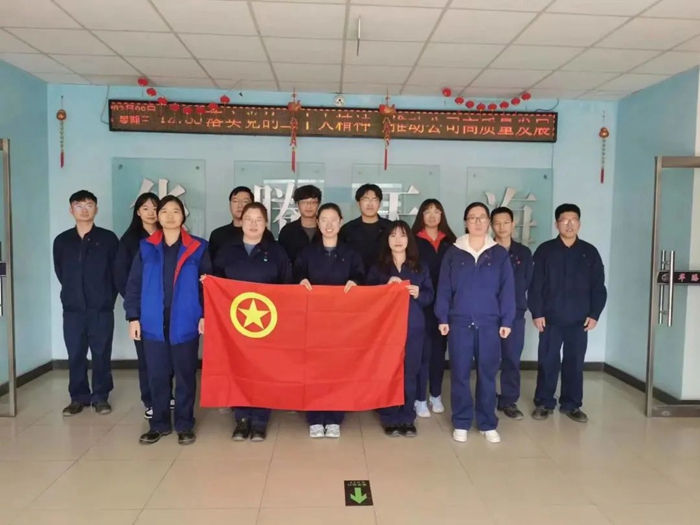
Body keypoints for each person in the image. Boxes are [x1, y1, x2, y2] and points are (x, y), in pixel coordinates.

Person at [124, 196, 210, 446]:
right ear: (158, 217)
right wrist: (133, 317)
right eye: (165, 211)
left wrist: (205, 315)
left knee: (185, 376)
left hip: (185, 322)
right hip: (152, 323)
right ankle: (158, 424)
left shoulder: (199, 247)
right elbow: (134, 285)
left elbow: (207, 286)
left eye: (176, 211)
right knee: (157, 376)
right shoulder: (146, 247)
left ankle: (184, 424)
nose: (170, 216)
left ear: (183, 215)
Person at [434, 202, 515, 444]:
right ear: (465, 222)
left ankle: (487, 422)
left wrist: (507, 320)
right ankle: (461, 421)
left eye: (482, 218)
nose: (477, 222)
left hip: (489, 323)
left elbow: (507, 289)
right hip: (459, 322)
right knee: (459, 373)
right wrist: (442, 317)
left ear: (488, 222)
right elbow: (444, 287)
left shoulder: (498, 253)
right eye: (472, 218)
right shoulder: (454, 252)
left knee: (487, 374)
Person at [213, 202, 292, 442]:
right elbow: (215, 283)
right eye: (249, 219)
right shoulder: (227, 251)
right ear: (241, 221)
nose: (253, 224)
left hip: (268, 324)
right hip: (235, 325)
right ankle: (242, 418)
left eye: (259, 220)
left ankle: (260, 420)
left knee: (262, 371)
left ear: (266, 223)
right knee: (239, 369)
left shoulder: (277, 252)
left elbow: (287, 287)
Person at [529, 204, 607, 423]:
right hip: (550, 319)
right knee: (548, 361)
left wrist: (595, 314)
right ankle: (544, 402)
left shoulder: (589, 252)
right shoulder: (545, 251)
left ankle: (572, 404)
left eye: (574, 220)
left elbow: (598, 286)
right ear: (557, 224)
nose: (569, 224)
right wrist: (537, 312)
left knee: (574, 363)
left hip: (579, 320)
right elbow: (535, 285)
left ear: (579, 223)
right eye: (564, 220)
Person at [294, 203, 364, 439]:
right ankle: (315, 417)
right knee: (313, 369)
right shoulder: (307, 253)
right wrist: (301, 280)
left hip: (342, 324)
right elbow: (296, 274)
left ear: (341, 222)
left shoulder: (351, 254)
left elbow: (360, 276)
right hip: (312, 322)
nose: (329, 224)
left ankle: (334, 417)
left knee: (338, 369)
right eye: (324, 219)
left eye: (334, 219)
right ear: (318, 222)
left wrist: (356, 282)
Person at [53, 190, 119, 417]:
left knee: (101, 353)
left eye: (89, 205)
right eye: (79, 205)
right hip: (73, 310)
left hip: (101, 309)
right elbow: (61, 271)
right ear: (71, 210)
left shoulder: (108, 239)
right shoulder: (62, 241)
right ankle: (78, 397)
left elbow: (116, 273)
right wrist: (72, 295)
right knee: (75, 354)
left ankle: (101, 396)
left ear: (96, 209)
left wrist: (106, 299)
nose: (84, 209)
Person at [367, 221, 434, 438]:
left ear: (409, 240)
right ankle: (389, 417)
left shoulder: (419, 267)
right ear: (387, 240)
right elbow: (367, 297)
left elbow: (430, 296)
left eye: (402, 235)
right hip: (386, 330)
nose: (398, 240)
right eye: (393, 235)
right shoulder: (379, 268)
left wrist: (418, 293)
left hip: (413, 327)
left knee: (410, 372)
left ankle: (407, 417)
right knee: (387, 371)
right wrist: (385, 287)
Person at [115, 192, 170, 420]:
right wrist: (135, 309)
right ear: (137, 212)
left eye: (155, 208)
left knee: (167, 356)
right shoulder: (130, 241)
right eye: (145, 208)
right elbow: (122, 277)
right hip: (144, 311)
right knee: (147, 358)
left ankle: (166, 396)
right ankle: (150, 399)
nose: (150, 212)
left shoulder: (168, 237)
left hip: (167, 308)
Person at [412, 198, 456, 418]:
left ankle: (435, 394)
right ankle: (419, 398)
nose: (432, 216)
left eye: (436, 211)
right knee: (421, 352)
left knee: (439, 352)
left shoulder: (452, 242)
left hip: (445, 306)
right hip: (421, 303)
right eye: (427, 211)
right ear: (421, 215)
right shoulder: (413, 241)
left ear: (442, 215)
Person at [491, 206, 533, 420]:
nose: (502, 227)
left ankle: (509, 400)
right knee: (487, 360)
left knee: (512, 358)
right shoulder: (486, 250)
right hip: (489, 314)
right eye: (497, 223)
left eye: (506, 222)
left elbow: (528, 282)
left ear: (513, 224)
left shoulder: (523, 253)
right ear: (491, 226)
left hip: (515, 313)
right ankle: (487, 398)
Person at [208, 186, 274, 262]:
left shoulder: (265, 234)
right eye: (235, 201)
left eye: (245, 201)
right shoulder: (218, 235)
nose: (240, 205)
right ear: (230, 205)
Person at [339, 183, 392, 272]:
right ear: (358, 203)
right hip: (355, 277)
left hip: (384, 277)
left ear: (379, 203)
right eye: (365, 199)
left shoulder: (390, 228)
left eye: (374, 200)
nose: (370, 204)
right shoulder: (348, 229)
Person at [278, 185, 322, 264]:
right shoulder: (287, 232)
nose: (309, 206)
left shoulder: (326, 230)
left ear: (318, 204)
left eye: (313, 202)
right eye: (304, 202)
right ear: (298, 204)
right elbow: (282, 262)